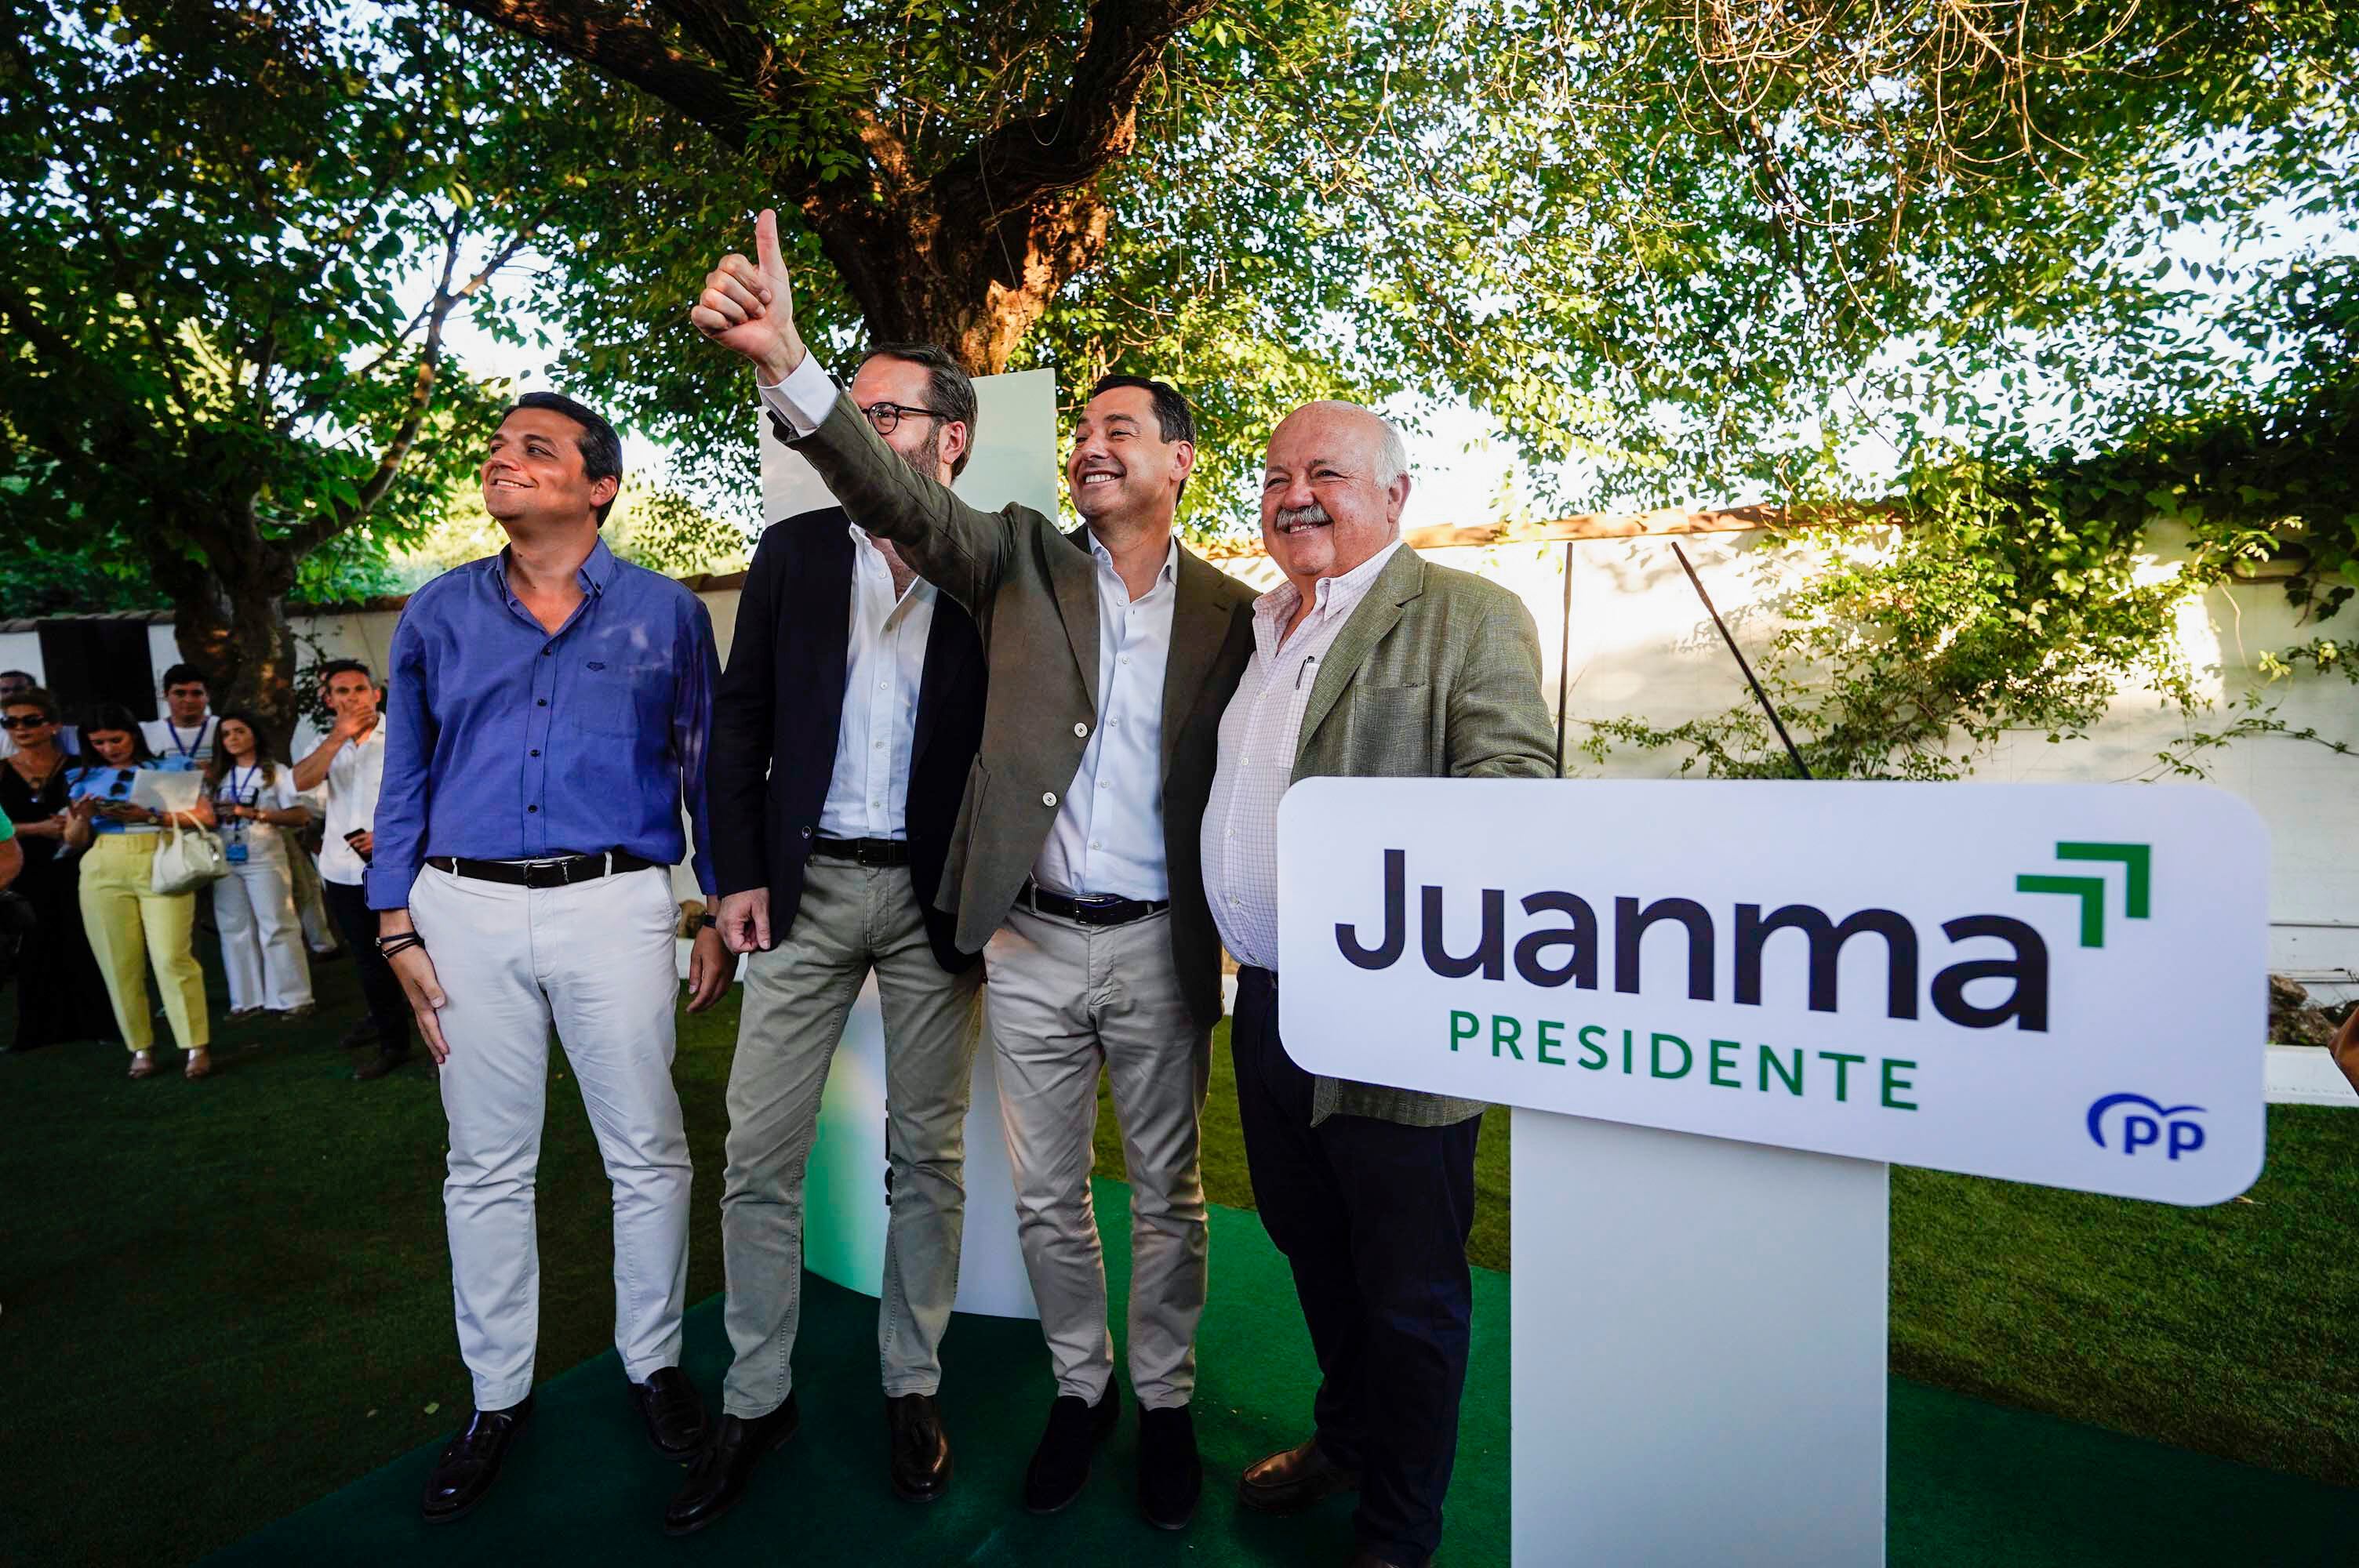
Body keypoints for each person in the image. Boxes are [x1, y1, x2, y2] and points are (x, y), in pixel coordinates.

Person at [696, 212, 1258, 1530]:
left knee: (1165, 1198)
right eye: (1084, 430)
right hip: (1022, 938)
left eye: (1123, 429)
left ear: (1180, 460)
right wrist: (789, 364)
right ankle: (1079, 1390)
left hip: (1153, 946)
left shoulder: (1243, 612)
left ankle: (1161, 1405)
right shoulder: (1012, 560)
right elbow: (888, 502)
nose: (1092, 444)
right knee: (1050, 1197)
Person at [368, 390, 732, 1524]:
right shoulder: (432, 614)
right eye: (498, 449)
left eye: (538, 449)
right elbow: (407, 781)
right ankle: (497, 1396)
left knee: (648, 1151)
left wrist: (715, 904)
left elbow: (706, 770)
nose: (505, 460)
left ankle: (654, 1365)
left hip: (617, 905)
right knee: (483, 1163)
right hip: (460, 908)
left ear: (601, 484)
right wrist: (395, 922)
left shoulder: (670, 616)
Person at [1205, 401, 1554, 1568]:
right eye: (1276, 476)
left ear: (1396, 497)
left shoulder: (1468, 615)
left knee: (1410, 1292)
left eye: (1326, 474)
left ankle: (1398, 1531)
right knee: (1310, 1245)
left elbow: (1512, 785)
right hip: (1265, 1004)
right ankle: (1346, 1439)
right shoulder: (1255, 626)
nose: (1295, 494)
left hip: (1397, 1014)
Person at [663, 343, 992, 1535]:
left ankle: (913, 1382)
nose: (858, 425)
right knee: (758, 1150)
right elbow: (738, 719)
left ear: (949, 436)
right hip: (796, 897)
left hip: (932, 901)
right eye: (848, 408)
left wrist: (997, 894)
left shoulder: (993, 558)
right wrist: (733, 874)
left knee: (930, 1157)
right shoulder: (797, 551)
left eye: (884, 411)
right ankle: (757, 1394)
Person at [65, 705, 218, 1080]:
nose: (108, 748)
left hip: (160, 856)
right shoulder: (83, 777)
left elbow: (206, 817)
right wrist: (82, 818)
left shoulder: (171, 768)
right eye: (98, 742)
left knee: (171, 957)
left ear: (133, 734)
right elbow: (73, 840)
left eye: (115, 739)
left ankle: (195, 1045)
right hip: (103, 863)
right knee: (119, 964)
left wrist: (149, 816)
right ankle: (139, 1047)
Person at [293, 660, 412, 1079]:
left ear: (376, 693)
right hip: (341, 870)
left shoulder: (403, 734)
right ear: (328, 700)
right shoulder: (322, 741)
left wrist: (387, 836)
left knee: (419, 953)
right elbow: (301, 782)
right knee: (368, 960)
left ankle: (440, 1044)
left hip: (399, 863)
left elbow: (430, 794)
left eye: (360, 689)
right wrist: (337, 738)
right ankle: (392, 1041)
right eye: (341, 692)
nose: (352, 698)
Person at [1, 688, 116, 1050]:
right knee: (33, 946)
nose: (20, 728)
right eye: (11, 722)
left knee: (83, 938)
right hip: (25, 864)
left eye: (30, 720)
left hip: (75, 861)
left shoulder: (80, 766)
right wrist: (37, 829)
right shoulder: (2, 770)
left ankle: (97, 1022)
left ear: (52, 725)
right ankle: (37, 1030)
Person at [202, 713, 315, 1020]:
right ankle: (246, 999)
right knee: (233, 926)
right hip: (226, 854)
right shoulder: (216, 777)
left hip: (264, 852)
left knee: (277, 921)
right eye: (226, 734)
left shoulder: (274, 772)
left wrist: (254, 813)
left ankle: (294, 997)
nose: (233, 738)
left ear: (254, 734)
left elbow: (300, 816)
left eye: (240, 731)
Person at [140, 664, 220, 765]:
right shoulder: (145, 732)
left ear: (208, 696)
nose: (188, 700)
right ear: (165, 695)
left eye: (196, 693)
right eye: (180, 693)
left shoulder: (224, 729)